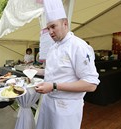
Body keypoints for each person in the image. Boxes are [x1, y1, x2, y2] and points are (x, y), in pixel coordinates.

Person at [32, 0, 100, 129]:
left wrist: (54, 86)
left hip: (66, 108)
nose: (50, 32)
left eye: (53, 26)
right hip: (47, 103)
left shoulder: (78, 46)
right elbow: (53, 72)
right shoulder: (53, 47)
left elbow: (91, 84)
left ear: (65, 24)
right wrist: (36, 70)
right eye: (48, 28)